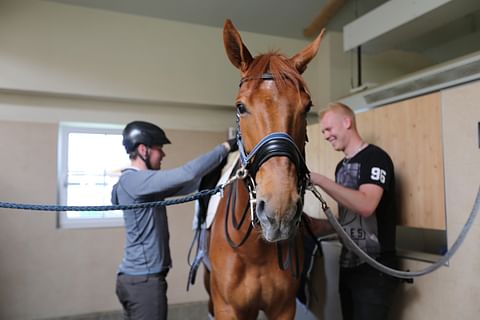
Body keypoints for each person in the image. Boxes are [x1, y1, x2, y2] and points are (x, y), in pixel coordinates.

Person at [112, 120, 236, 320]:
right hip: (144, 284)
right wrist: (225, 147)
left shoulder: (141, 185)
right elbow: (187, 174)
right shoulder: (134, 181)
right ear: (143, 150)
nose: (163, 154)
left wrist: (218, 168)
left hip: (136, 280)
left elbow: (190, 184)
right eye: (159, 149)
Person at [309, 102, 398, 320]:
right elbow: (347, 220)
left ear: (347, 122)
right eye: (323, 131)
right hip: (348, 265)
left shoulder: (375, 158)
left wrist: (319, 180)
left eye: (329, 129)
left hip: (374, 268)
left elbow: (366, 206)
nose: (326, 135)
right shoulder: (341, 167)